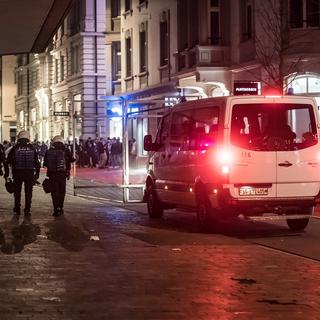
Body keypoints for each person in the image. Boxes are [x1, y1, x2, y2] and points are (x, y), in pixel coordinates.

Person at [4, 130, 40, 216]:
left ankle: (17, 208)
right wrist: (37, 174)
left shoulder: (14, 148)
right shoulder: (32, 148)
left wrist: (7, 174)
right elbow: (36, 163)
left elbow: (7, 161)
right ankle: (27, 209)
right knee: (28, 192)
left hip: (17, 173)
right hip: (29, 174)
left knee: (17, 192)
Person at [43, 135, 74, 216]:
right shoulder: (66, 150)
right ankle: (61, 207)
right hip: (62, 174)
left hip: (52, 174)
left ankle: (55, 208)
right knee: (62, 191)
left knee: (54, 192)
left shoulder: (49, 151)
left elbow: (45, 164)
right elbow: (72, 159)